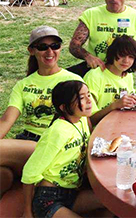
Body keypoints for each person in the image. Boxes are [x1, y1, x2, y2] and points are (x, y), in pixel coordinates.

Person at [0, 26, 93, 198]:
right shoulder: (23, 85)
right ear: (32, 51)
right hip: (28, 142)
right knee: (3, 175)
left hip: (54, 144)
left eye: (55, 45)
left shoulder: (72, 81)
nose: (50, 51)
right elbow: (7, 121)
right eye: (43, 47)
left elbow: (85, 124)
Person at [22, 80, 108, 218]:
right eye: (81, 98)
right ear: (64, 107)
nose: (89, 100)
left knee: (111, 204)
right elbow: (28, 174)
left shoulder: (83, 120)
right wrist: (27, 212)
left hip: (72, 192)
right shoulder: (57, 132)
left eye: (88, 94)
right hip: (48, 198)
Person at [68, 0, 136, 77]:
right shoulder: (91, 15)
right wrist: (88, 56)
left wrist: (124, 65)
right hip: (95, 71)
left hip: (120, 74)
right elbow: (74, 46)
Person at [84, 35, 136, 125]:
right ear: (112, 54)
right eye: (122, 55)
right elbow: (89, 120)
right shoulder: (94, 76)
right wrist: (114, 105)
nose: (126, 61)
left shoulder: (128, 76)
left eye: (131, 57)